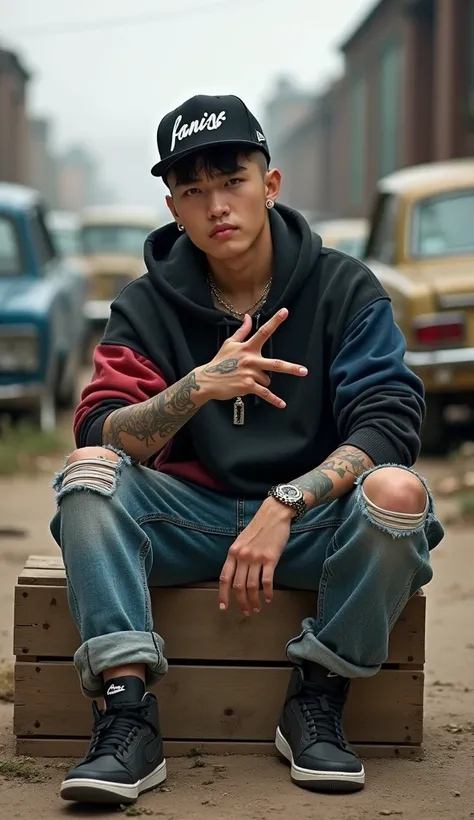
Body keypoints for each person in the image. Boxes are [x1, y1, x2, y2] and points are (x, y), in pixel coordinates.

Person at [50, 93, 444, 805]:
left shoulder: (345, 288)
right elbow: (99, 426)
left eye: (232, 181)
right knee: (87, 475)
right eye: (193, 191)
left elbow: (389, 426)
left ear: (271, 184)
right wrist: (196, 387)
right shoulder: (147, 304)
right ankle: (126, 714)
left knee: (396, 495)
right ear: (173, 207)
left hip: (307, 526)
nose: (215, 206)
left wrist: (287, 500)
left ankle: (317, 697)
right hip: (186, 520)